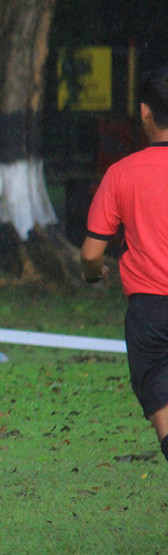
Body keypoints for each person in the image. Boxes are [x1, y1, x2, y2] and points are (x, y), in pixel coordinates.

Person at [81, 65, 168, 462]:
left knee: (160, 401)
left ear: (144, 111)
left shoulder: (121, 174)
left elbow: (91, 253)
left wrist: (94, 277)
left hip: (150, 310)